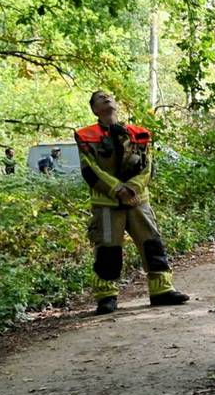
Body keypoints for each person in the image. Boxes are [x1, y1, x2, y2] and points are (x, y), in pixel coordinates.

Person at [75, 91, 191, 315]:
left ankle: (162, 290)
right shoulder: (85, 137)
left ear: (116, 104)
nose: (106, 98)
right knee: (108, 251)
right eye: (100, 98)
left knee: (152, 244)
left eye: (109, 96)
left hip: (138, 201)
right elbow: (89, 170)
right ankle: (106, 297)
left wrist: (132, 188)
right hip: (107, 204)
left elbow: (148, 167)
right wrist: (117, 189)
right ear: (94, 109)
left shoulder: (138, 134)